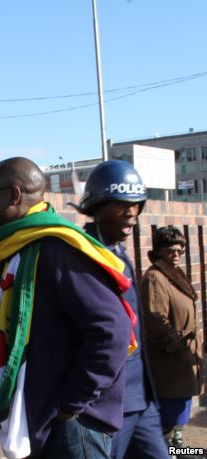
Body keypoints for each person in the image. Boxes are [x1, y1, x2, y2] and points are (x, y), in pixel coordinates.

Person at [0, 157, 136, 459]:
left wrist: (69, 405)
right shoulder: (22, 247)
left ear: (13, 196)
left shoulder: (56, 249)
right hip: (46, 420)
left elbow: (113, 330)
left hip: (74, 428)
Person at [75, 159, 169, 459]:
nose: (132, 212)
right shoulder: (83, 256)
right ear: (97, 206)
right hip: (107, 410)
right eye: (121, 203)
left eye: (136, 204)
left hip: (144, 402)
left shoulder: (121, 254)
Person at [140, 226, 202, 450]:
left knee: (177, 420)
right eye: (170, 249)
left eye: (180, 249)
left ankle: (177, 450)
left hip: (181, 363)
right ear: (158, 251)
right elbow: (156, 320)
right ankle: (170, 452)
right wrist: (177, 347)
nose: (176, 254)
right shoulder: (156, 277)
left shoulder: (172, 273)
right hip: (170, 363)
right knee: (168, 420)